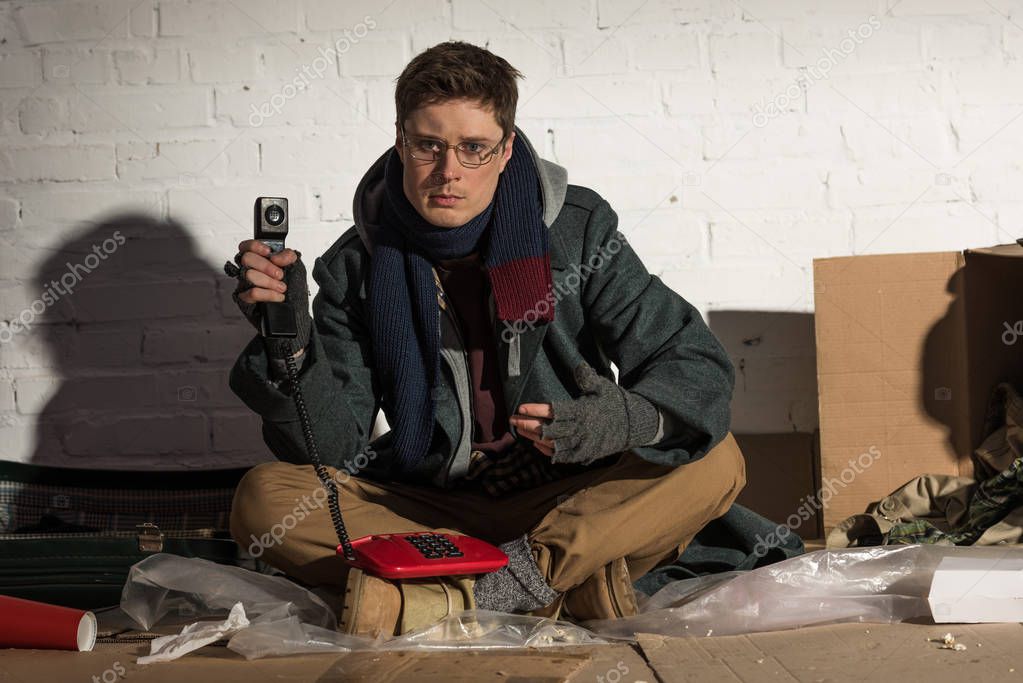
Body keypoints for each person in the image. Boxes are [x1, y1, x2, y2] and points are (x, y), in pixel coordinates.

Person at [224, 40, 746, 639]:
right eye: (429, 145)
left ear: (504, 151)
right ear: (401, 143)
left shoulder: (577, 231)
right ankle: (566, 583)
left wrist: (623, 419)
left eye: (473, 149)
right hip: (437, 503)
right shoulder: (356, 266)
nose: (449, 172)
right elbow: (335, 448)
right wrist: (287, 339)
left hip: (568, 494)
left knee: (717, 458)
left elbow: (694, 362)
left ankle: (467, 590)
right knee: (263, 498)